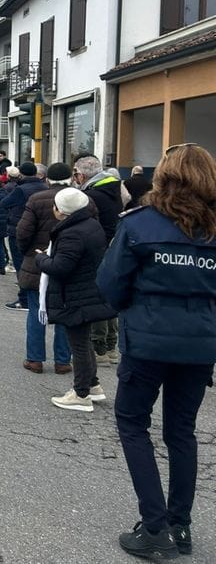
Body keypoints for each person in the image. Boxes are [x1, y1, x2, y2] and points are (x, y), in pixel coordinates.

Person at [96, 143, 216, 560]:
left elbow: (110, 283)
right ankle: (180, 525)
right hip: (200, 344)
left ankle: (154, 527)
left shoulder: (140, 224)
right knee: (181, 431)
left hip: (147, 341)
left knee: (133, 423)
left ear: (163, 176)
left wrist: (133, 309)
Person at [35, 187, 115, 413]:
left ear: (62, 211)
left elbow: (61, 267)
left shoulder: (72, 233)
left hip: (75, 294)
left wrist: (41, 259)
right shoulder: (91, 224)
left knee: (78, 345)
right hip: (88, 290)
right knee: (83, 341)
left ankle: (81, 394)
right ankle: (93, 384)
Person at [16, 162, 75, 374]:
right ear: (71, 178)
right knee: (66, 312)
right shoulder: (83, 200)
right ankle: (63, 361)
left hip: (38, 262)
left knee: (36, 310)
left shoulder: (37, 199)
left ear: (47, 179)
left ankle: (35, 359)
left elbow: (23, 232)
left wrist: (29, 253)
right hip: (70, 264)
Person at [74, 155, 124, 365]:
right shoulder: (113, 189)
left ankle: (98, 348)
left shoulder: (91, 195)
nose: (75, 177)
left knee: (96, 298)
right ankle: (111, 346)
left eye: (76, 173)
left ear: (82, 175)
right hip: (112, 247)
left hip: (97, 250)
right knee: (108, 299)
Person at [1, 162, 47, 309]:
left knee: (21, 264)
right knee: (37, 265)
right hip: (41, 231)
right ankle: (38, 295)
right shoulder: (44, 187)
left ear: (21, 174)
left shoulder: (20, 189)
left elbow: (4, 203)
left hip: (19, 228)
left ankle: (24, 298)